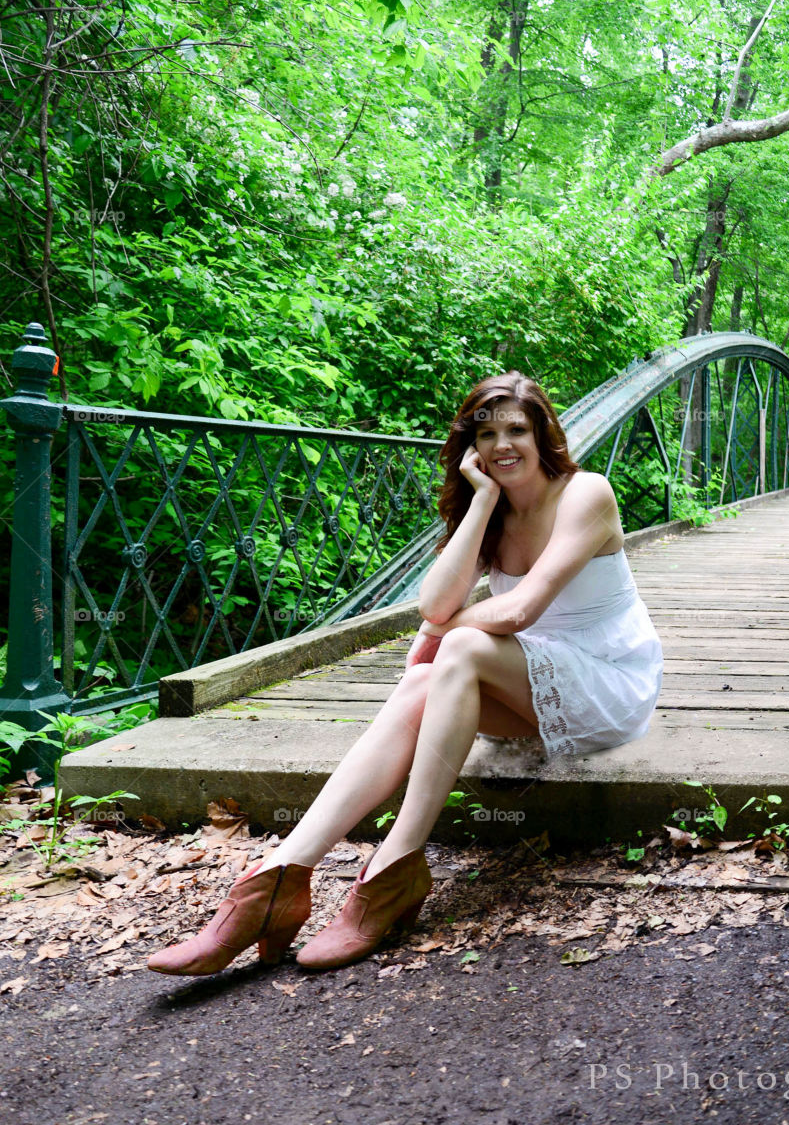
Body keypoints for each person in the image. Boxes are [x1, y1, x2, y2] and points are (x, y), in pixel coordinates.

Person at [147, 371, 663, 977]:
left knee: (463, 646)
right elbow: (433, 605)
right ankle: (280, 876)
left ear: (543, 431)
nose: (503, 446)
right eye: (487, 433)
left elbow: (520, 610)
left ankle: (398, 861)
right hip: (527, 677)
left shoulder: (586, 493)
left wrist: (445, 633)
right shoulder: (490, 508)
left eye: (517, 430)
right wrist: (483, 502)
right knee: (424, 679)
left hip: (607, 683)